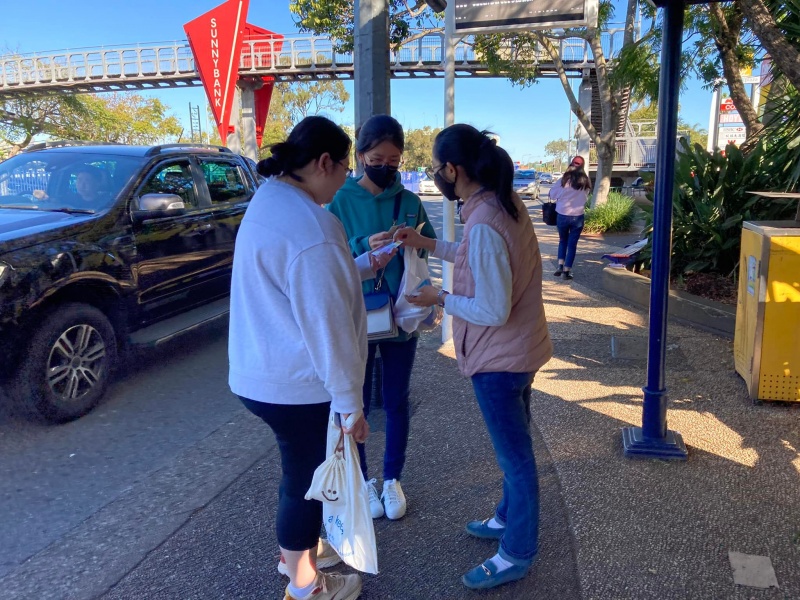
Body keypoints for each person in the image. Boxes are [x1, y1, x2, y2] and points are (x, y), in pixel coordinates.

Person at [228, 116, 394, 600]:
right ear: (324, 162)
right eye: (344, 168)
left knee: (299, 473)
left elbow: (306, 280)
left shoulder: (270, 200)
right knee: (305, 482)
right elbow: (328, 325)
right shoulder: (313, 226)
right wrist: (350, 404)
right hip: (298, 383)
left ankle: (295, 556)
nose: (345, 180)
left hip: (260, 371)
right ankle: (304, 585)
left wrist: (360, 265)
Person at [395, 124, 553, 591]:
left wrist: (439, 298)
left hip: (499, 360)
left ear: (452, 169)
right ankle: (506, 518)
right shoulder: (501, 204)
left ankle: (516, 552)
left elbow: (491, 309)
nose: (435, 175)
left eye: (435, 168)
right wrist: (425, 243)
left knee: (516, 460)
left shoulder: (484, 221)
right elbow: (471, 255)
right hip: (518, 351)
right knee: (515, 450)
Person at [327, 114, 437, 522]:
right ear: (360, 156)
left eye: (394, 160)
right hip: (356, 316)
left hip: (400, 315)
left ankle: (392, 478)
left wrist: (410, 244)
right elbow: (328, 256)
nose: (386, 167)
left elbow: (425, 249)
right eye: (377, 159)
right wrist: (363, 245)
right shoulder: (340, 200)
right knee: (353, 403)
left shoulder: (409, 201)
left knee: (395, 399)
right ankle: (362, 480)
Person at [548, 155, 592, 280]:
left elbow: (552, 194)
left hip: (562, 215)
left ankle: (560, 266)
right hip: (578, 216)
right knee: (572, 245)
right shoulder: (586, 181)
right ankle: (566, 272)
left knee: (563, 241)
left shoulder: (564, 180)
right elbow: (586, 196)